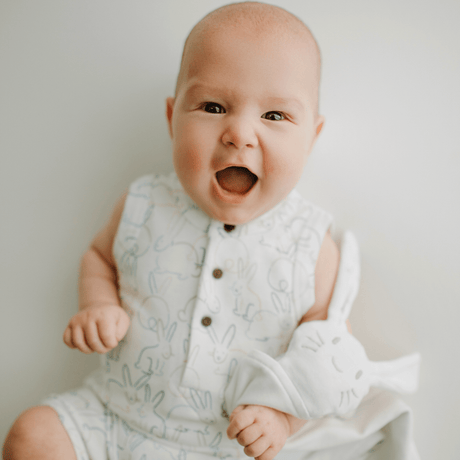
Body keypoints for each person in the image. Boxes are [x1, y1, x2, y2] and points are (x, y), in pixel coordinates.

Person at [3, 3, 419, 460]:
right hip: (112, 416)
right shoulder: (144, 203)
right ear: (172, 118)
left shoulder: (309, 244)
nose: (239, 133)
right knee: (33, 434)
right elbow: (99, 258)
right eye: (213, 107)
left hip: (226, 446)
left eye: (274, 116)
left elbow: (323, 364)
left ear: (311, 139)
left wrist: (282, 419)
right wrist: (98, 305)